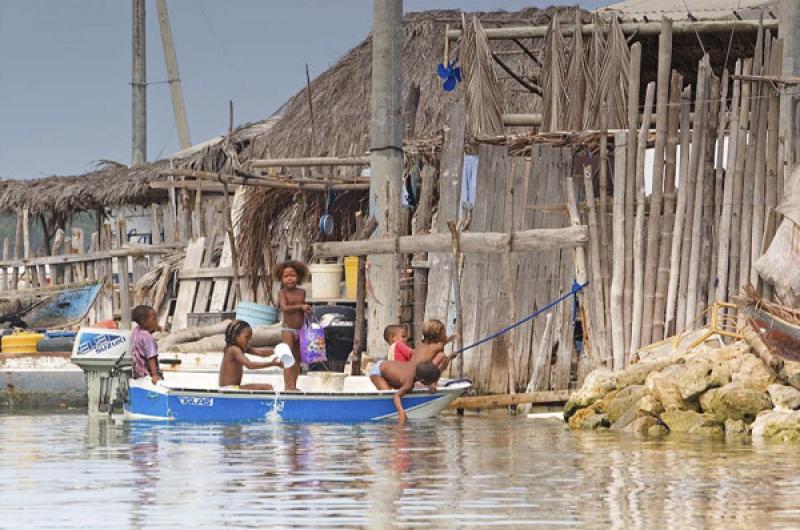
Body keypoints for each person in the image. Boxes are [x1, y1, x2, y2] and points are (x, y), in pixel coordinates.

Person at [273, 260, 311, 391]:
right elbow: (284, 308)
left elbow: (303, 309)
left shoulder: (301, 292)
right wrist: (301, 306)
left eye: (292, 275)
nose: (290, 279)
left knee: (297, 360)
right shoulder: (282, 293)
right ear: (281, 279)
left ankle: (293, 386)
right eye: (286, 276)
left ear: (298, 277)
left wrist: (307, 310)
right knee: (288, 358)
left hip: (300, 329)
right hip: (288, 329)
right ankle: (287, 386)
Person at [368, 359, 440, 423]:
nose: (433, 384)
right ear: (422, 381)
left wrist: (431, 384)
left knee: (408, 389)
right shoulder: (408, 382)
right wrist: (401, 412)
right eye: (431, 382)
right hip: (377, 372)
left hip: (386, 365)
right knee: (388, 395)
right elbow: (396, 396)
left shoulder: (418, 368)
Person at [218, 320, 283, 390]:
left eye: (250, 339)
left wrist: (276, 351)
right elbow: (250, 365)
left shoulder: (239, 348)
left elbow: (261, 353)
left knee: (267, 387)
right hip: (229, 389)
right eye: (246, 337)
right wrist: (272, 363)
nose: (249, 341)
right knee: (267, 387)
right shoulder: (234, 350)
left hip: (232, 388)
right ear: (235, 336)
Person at [131, 305, 162, 385]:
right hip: (148, 374)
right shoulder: (148, 338)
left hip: (138, 373)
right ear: (143, 321)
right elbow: (151, 357)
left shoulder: (136, 331)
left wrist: (153, 328)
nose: (156, 321)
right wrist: (155, 375)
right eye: (154, 319)